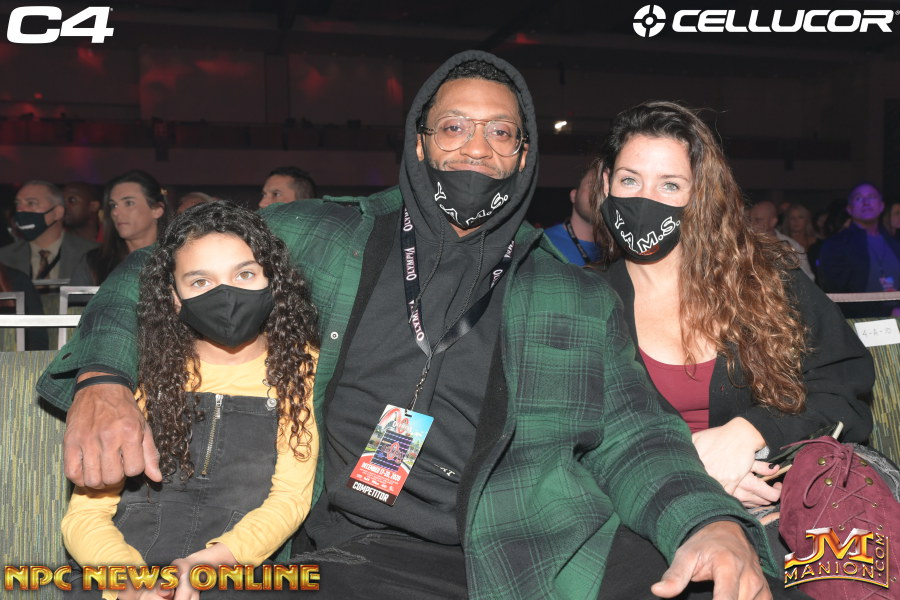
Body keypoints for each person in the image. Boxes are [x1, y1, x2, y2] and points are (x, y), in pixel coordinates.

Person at [40, 52, 778, 599]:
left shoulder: (570, 293)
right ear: (419, 142)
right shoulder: (323, 238)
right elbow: (156, 267)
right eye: (453, 127)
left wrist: (707, 524)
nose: (475, 147)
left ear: (523, 155)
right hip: (351, 550)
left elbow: (636, 435)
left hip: (530, 548)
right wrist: (103, 378)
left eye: (500, 132)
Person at [593, 102, 873, 574]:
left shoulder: (767, 281)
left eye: (670, 184)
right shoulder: (582, 300)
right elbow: (568, 443)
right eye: (629, 180)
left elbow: (845, 393)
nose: (645, 199)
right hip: (643, 533)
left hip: (782, 519)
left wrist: (751, 434)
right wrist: (693, 471)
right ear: (606, 184)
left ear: (700, 194)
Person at [61, 201, 319, 599]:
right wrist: (130, 583)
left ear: (273, 280)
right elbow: (85, 515)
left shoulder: (303, 370)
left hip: (235, 568)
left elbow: (290, 498)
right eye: (200, 281)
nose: (227, 294)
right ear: (175, 297)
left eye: (245, 274)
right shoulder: (141, 372)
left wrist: (209, 564)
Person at [71, 170, 171, 286]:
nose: (115, 212)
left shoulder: (176, 259)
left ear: (157, 210)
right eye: (113, 205)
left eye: (129, 203)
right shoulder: (95, 263)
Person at [818, 182, 900, 317]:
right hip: (858, 321)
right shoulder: (836, 245)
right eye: (858, 198)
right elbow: (837, 292)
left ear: (881, 206)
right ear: (849, 209)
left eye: (871, 197)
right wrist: (887, 312)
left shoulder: (894, 243)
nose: (866, 202)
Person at [0, 180, 98, 281]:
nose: (20, 210)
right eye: (18, 204)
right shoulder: (4, 258)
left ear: (57, 212)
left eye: (31, 203)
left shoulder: (92, 254)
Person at [543, 165, 601, 265]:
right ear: (574, 196)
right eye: (593, 186)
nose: (600, 194)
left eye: (605, 189)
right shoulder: (545, 244)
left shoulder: (620, 248)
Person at [748, 201, 814, 280]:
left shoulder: (791, 246)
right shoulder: (745, 244)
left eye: (758, 220)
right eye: (749, 220)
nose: (751, 224)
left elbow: (807, 278)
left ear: (773, 222)